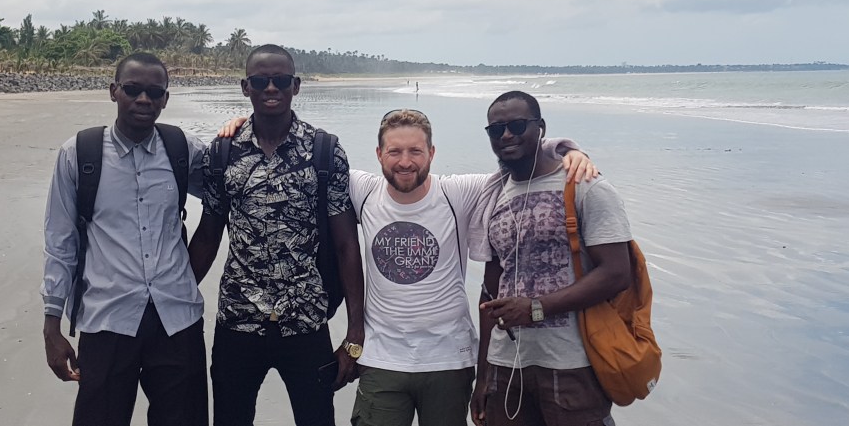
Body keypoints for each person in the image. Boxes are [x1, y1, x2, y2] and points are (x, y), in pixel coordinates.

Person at [217, 109, 597, 426]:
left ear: (431, 152)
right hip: (381, 358)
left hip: (449, 359)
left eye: (415, 151)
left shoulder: (457, 192)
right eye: (394, 151)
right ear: (378, 154)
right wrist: (249, 124)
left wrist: (565, 149)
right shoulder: (361, 189)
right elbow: (294, 162)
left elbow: (519, 163)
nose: (405, 162)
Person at [188, 44, 366, 426]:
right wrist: (175, 301)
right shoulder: (221, 153)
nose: (271, 88)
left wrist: (355, 330)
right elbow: (207, 236)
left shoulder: (324, 151)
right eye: (260, 81)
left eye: (281, 80)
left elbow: (346, 244)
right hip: (238, 319)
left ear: (295, 86)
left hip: (305, 320)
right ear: (245, 87)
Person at [40, 52, 208, 426]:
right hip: (107, 319)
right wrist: (52, 325)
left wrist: (241, 128)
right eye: (132, 89)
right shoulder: (79, 155)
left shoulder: (183, 150)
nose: (143, 99)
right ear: (113, 91)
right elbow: (60, 242)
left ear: (166, 98)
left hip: (177, 318)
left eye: (155, 92)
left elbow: (233, 184)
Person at [468, 91, 633, 426]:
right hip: (506, 366)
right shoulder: (493, 195)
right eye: (496, 130)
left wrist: (536, 308)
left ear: (540, 127)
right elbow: (490, 294)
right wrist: (482, 377)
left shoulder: (584, 185)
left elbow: (617, 272)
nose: (507, 135)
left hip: (573, 364)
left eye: (517, 125)